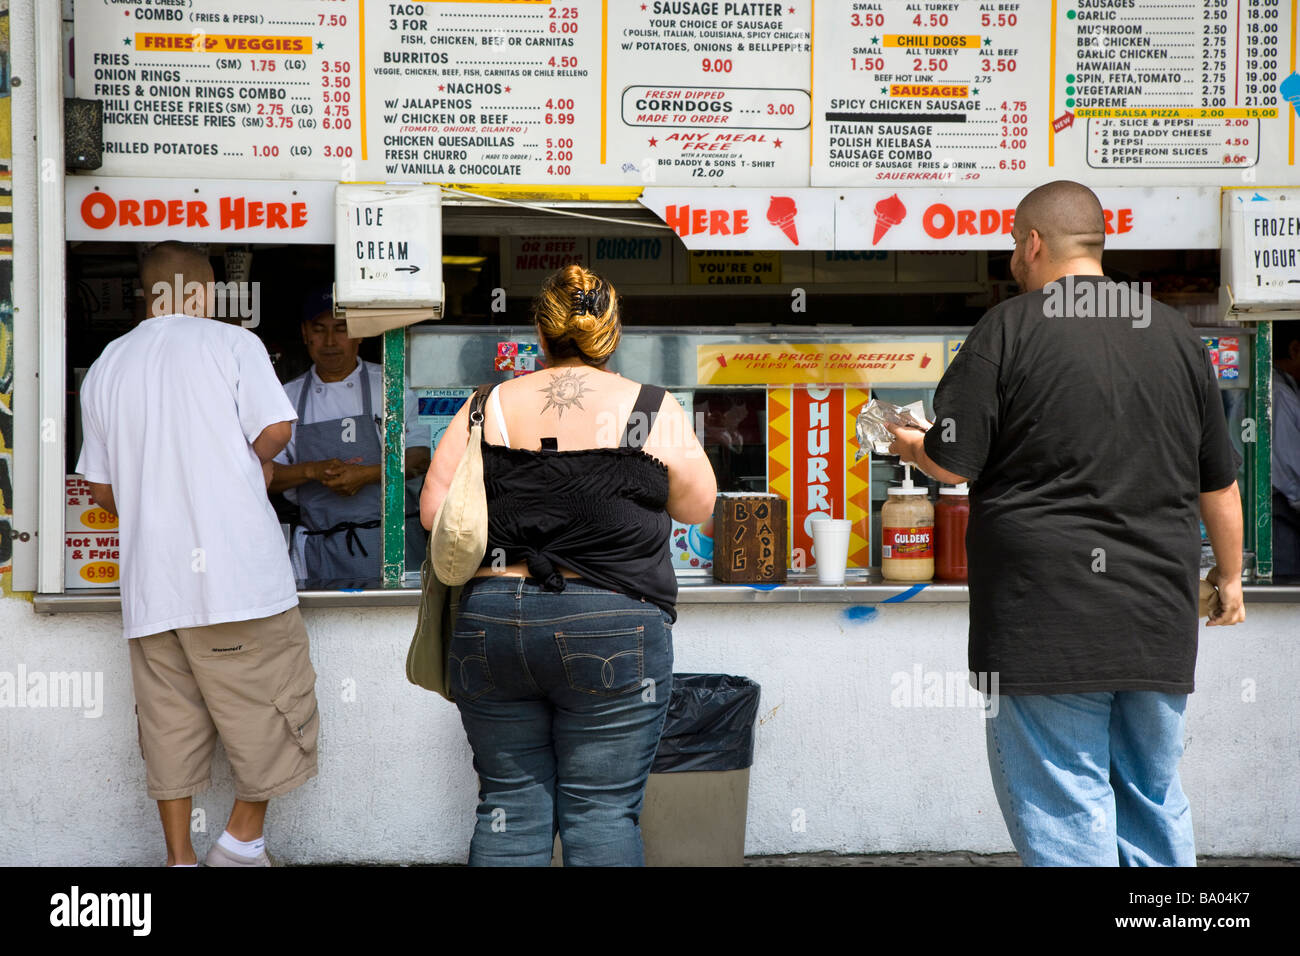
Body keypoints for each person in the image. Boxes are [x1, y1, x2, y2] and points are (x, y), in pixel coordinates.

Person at [886, 181, 1246, 867]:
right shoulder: (1173, 335)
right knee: (1152, 793)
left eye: (1013, 248)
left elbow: (953, 459)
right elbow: (1219, 485)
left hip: (1041, 618)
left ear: (1033, 242)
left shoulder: (1008, 328)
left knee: (1065, 806)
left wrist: (910, 446)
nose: (1013, 264)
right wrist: (1228, 580)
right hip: (1157, 616)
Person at [421, 264, 717, 866]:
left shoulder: (486, 407)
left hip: (493, 622)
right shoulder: (650, 409)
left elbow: (434, 514)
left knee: (509, 807)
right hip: (614, 625)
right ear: (613, 333)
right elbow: (699, 507)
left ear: (539, 332)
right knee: (601, 811)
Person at [76, 241, 319, 867]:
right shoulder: (232, 345)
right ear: (203, 292)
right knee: (273, 709)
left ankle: (180, 858)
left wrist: (159, 491)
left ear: (146, 294)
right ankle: (240, 842)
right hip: (238, 578)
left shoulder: (107, 364)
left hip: (153, 587)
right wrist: (242, 467)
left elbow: (101, 489)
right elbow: (275, 430)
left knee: (169, 727)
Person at [269, 289, 431, 589]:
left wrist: (367, 475)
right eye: (319, 330)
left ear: (359, 334)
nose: (330, 342)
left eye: (341, 329)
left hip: (392, 544)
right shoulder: (287, 398)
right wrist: (311, 471)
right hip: (321, 550)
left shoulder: (390, 384)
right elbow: (265, 475)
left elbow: (420, 458)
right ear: (305, 334)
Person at [1271, 323, 1300, 576]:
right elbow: (1288, 470)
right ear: (1295, 349)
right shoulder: (1279, 393)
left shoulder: (1284, 387)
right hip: (1279, 513)